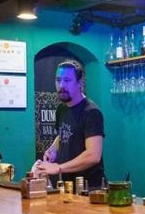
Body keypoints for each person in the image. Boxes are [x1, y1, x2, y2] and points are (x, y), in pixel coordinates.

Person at [38, 60, 105, 188]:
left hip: (90, 188)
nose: (61, 85)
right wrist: (53, 148)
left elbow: (93, 156)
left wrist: (58, 168)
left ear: (79, 82)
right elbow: (64, 134)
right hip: (67, 185)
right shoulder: (61, 109)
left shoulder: (91, 112)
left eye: (67, 80)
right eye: (58, 80)